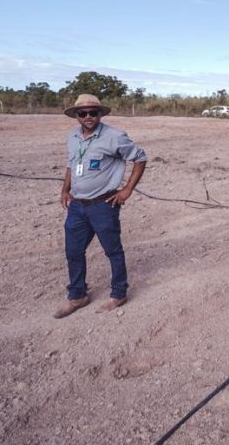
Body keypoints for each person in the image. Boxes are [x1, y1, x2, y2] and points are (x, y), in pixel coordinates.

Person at [55, 94, 147, 318]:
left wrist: (127, 190)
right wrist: (65, 189)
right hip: (77, 206)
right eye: (83, 113)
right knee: (73, 251)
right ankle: (77, 296)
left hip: (103, 205)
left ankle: (118, 294)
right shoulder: (72, 137)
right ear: (76, 116)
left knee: (113, 251)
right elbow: (71, 164)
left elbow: (140, 157)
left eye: (93, 112)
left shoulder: (114, 137)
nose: (88, 117)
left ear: (100, 114)